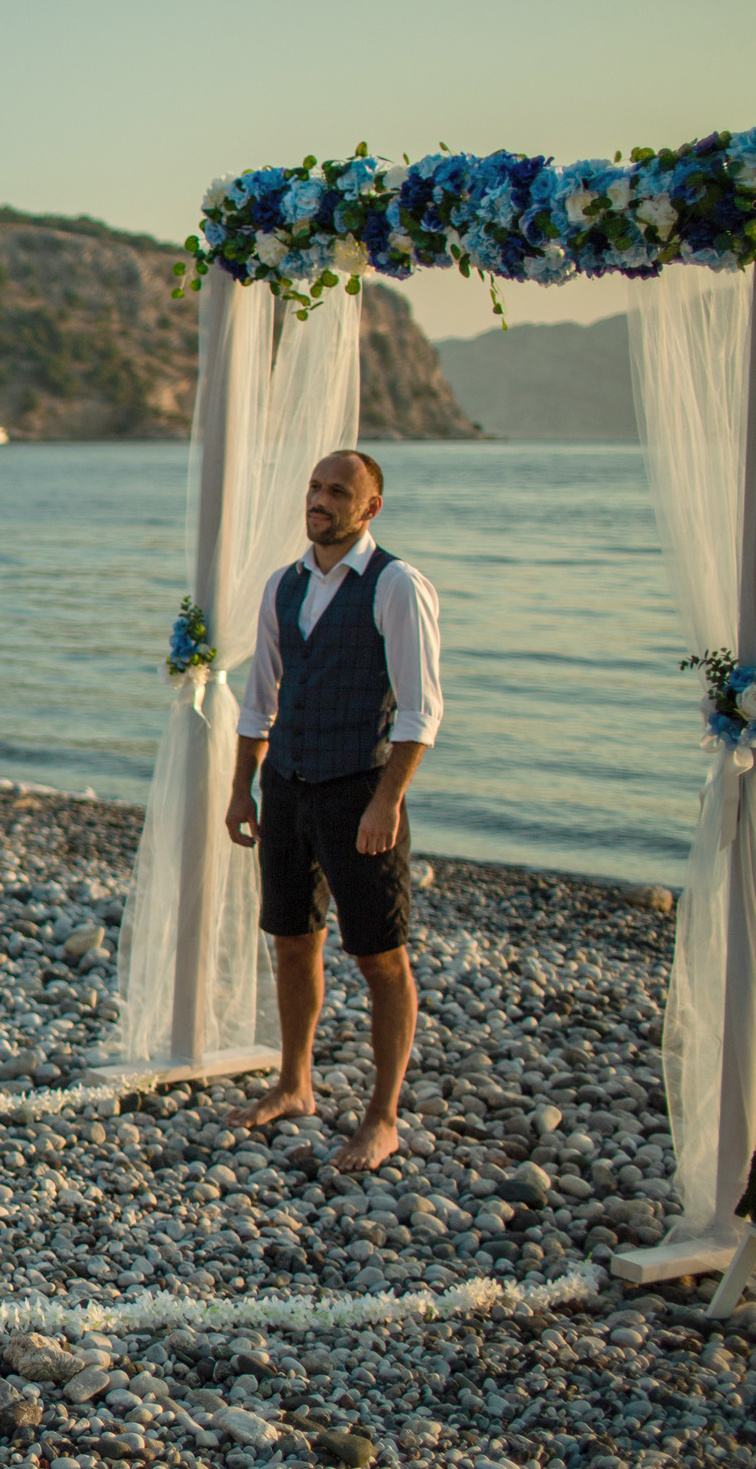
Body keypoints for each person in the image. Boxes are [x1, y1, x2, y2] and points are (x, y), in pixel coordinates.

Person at [222, 448, 442, 1173]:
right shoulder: (281, 585)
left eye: (337, 491)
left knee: (379, 955)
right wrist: (239, 786)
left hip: (359, 789)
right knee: (291, 938)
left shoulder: (395, 586)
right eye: (315, 486)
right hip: (285, 781)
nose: (319, 499)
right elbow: (260, 697)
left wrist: (386, 801)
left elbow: (418, 711)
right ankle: (294, 1081)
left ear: (369, 506)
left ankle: (382, 1117)